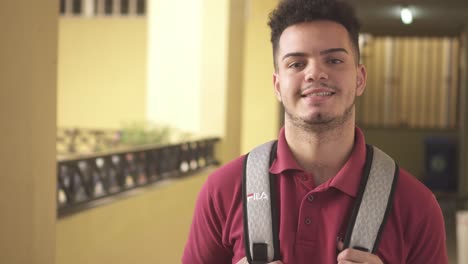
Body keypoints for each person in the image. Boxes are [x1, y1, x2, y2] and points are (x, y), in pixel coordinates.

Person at [182, 0, 448, 263]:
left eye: (333, 60)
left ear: (360, 78)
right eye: (296, 64)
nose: (315, 73)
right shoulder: (223, 191)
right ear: (277, 85)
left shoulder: (416, 205)